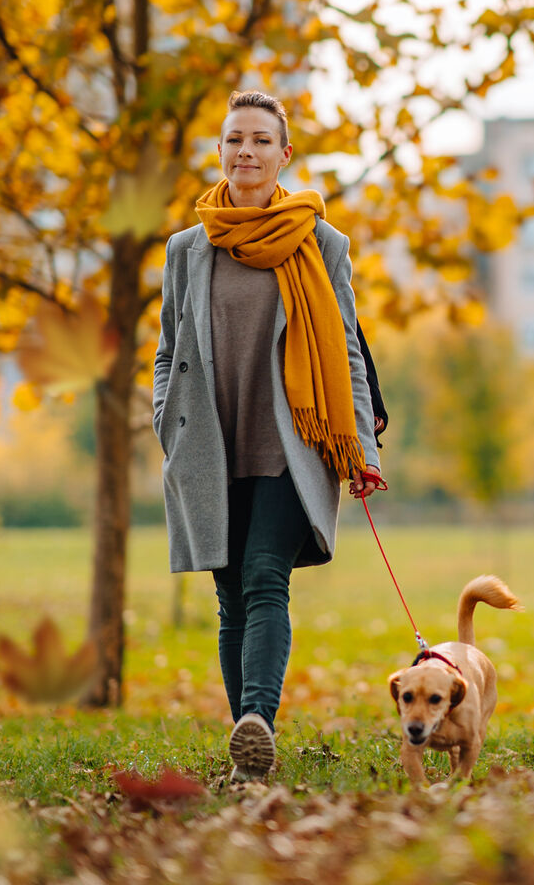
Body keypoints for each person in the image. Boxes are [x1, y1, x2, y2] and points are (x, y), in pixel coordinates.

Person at [152, 90, 382, 783]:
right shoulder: (187, 250)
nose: (245, 151)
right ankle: (245, 743)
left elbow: (346, 350)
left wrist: (361, 450)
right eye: (233, 140)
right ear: (220, 152)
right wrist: (167, 419)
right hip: (209, 444)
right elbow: (168, 349)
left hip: (290, 442)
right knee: (228, 593)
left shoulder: (320, 243)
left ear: (284, 155)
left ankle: (259, 718)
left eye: (259, 140)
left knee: (262, 578)